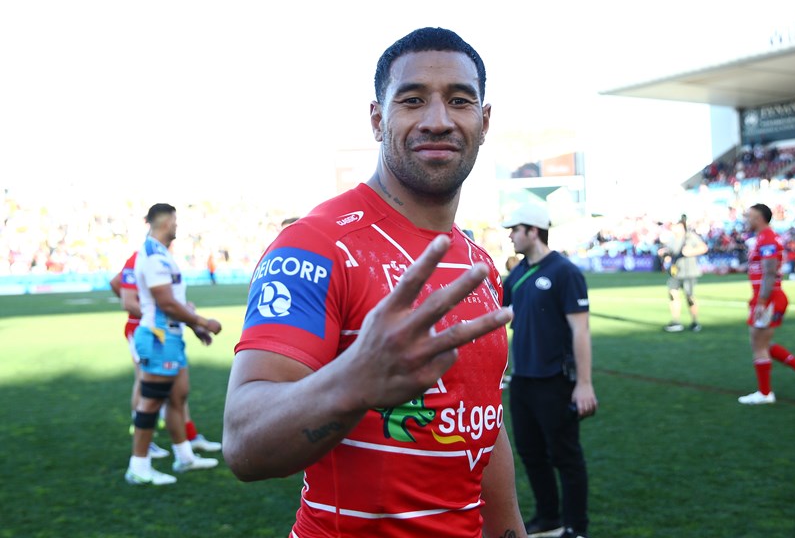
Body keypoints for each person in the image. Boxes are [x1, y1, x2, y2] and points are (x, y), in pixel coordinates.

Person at [223, 28, 525, 537]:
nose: (437, 120)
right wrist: (354, 381)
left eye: (459, 100)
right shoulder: (316, 244)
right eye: (412, 100)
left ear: (484, 120)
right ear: (378, 118)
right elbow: (244, 443)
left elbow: (485, 432)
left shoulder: (476, 261)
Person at [502, 203, 597, 538]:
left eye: (515, 230)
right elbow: (499, 316)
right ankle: (549, 517)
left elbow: (580, 331)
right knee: (530, 452)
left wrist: (584, 384)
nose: (510, 236)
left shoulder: (564, 272)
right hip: (523, 380)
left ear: (533, 230)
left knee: (566, 456)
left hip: (556, 380)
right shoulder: (516, 273)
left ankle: (576, 527)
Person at [125, 203, 223, 485]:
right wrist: (203, 322)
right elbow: (166, 302)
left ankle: (184, 456)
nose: (177, 226)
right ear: (166, 221)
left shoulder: (161, 254)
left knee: (178, 395)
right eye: (175, 220)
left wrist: (192, 325)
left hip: (170, 335)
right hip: (158, 337)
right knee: (152, 399)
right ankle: (139, 466)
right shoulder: (154, 255)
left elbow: (172, 302)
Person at [110, 251, 222, 457]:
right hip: (146, 329)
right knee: (146, 385)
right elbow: (118, 286)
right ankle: (145, 443)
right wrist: (152, 312)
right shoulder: (143, 256)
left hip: (167, 329)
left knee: (177, 391)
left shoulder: (162, 257)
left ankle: (188, 440)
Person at [738, 204, 795, 405]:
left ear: (759, 218)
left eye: (749, 216)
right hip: (767, 297)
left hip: (769, 298)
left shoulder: (767, 238)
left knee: (758, 344)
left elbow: (769, 271)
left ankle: (765, 393)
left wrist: (763, 301)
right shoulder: (764, 238)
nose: (746, 220)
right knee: (761, 343)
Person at [658, 215, 709, 332]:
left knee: (689, 297)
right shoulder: (671, 240)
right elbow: (669, 253)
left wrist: (691, 252)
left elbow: (703, 248)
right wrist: (664, 254)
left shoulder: (690, 237)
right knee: (672, 294)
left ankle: (695, 321)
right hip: (676, 272)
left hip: (689, 272)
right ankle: (676, 321)